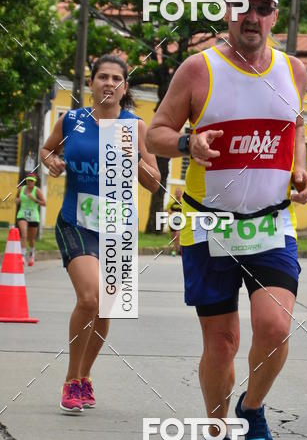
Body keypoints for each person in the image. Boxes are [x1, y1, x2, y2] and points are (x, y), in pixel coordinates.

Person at [147, 0, 307, 440]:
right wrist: (185, 144)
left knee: (276, 327)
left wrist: (300, 169)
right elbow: (153, 133)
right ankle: (216, 439)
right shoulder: (199, 70)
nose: (254, 18)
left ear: (273, 17)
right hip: (208, 224)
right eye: (245, 7)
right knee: (221, 342)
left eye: (264, 9)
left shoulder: (294, 72)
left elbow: (296, 130)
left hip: (268, 225)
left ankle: (254, 406)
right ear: (228, 11)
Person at [41, 54, 161, 413]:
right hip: (75, 221)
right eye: (102, 77)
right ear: (91, 84)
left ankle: (84, 376)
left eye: (117, 79)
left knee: (107, 309)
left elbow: (154, 182)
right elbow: (47, 151)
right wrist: (53, 163)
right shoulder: (72, 121)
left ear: (125, 88)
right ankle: (70, 379)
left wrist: (137, 162)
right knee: (91, 298)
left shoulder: (136, 127)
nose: (109, 83)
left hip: (117, 227)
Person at [16, 175, 46, 266]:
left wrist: (34, 199)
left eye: (32, 181)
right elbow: (17, 197)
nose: (30, 183)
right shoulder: (21, 188)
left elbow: (44, 203)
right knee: (24, 235)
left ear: (35, 181)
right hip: (22, 214)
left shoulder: (37, 191)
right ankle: (22, 256)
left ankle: (32, 254)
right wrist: (17, 200)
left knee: (31, 238)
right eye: (28, 181)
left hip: (33, 216)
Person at [166, 186, 184, 255]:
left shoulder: (183, 202)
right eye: (177, 192)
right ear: (175, 193)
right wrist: (171, 212)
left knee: (177, 235)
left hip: (181, 221)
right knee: (173, 237)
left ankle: (174, 251)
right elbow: (167, 209)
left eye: (179, 192)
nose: (178, 194)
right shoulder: (171, 202)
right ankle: (178, 247)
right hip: (172, 222)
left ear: (181, 194)